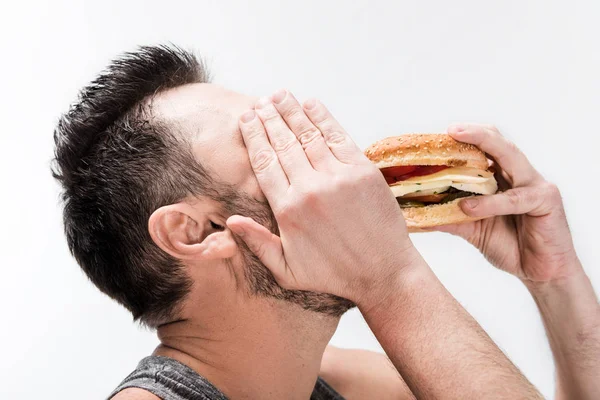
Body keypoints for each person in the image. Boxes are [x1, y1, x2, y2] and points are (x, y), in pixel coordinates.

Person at [50, 45, 597, 399]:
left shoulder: (339, 383)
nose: (344, 175)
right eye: (276, 151)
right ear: (197, 232)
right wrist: (389, 278)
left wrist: (555, 283)